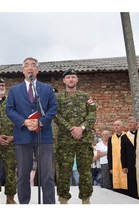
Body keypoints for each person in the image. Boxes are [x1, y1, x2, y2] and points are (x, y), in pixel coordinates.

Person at [6, 57, 58, 204]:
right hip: (23, 136)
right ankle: (24, 204)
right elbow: (9, 109)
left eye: (33, 65)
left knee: (47, 174)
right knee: (23, 174)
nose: (30, 68)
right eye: (27, 66)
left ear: (37, 70)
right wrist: (24, 122)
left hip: (44, 136)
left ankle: (48, 205)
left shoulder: (47, 89)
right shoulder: (15, 90)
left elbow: (53, 108)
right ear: (23, 70)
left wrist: (41, 122)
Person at [55, 68, 97, 204]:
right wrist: (71, 129)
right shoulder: (58, 98)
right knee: (63, 171)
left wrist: (82, 128)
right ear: (64, 81)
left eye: (73, 77)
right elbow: (55, 115)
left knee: (84, 171)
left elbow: (92, 114)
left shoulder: (86, 97)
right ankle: (63, 199)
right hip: (65, 141)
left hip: (83, 140)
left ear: (77, 79)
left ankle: (86, 199)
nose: (71, 79)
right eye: (68, 77)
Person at [107, 120, 128, 196]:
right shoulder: (111, 139)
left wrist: (127, 165)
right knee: (116, 189)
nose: (116, 126)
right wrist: (110, 167)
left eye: (118, 125)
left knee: (127, 186)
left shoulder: (127, 137)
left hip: (125, 166)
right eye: (114, 125)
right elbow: (109, 154)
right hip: (115, 166)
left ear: (122, 127)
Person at [120, 117, 138, 199]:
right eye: (129, 122)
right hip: (130, 163)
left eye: (132, 122)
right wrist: (124, 166)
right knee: (132, 180)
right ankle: (133, 197)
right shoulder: (124, 137)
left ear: (136, 124)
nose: (130, 124)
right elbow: (122, 152)